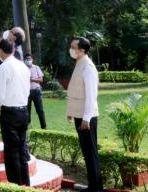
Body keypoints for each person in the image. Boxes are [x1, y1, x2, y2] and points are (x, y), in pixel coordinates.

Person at [66, 37, 103, 192]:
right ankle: (93, 186)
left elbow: (91, 95)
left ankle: (96, 188)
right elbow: (76, 90)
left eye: (73, 47)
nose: (71, 49)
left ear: (81, 49)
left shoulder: (87, 66)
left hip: (87, 118)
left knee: (91, 152)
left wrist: (86, 118)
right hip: (80, 115)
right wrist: (71, 112)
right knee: (87, 152)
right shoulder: (79, 63)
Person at [0, 39, 31, 186]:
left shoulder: (4, 67)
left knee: (11, 152)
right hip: (23, 111)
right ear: (13, 50)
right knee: (22, 150)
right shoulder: (23, 66)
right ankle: (26, 185)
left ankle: (15, 186)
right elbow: (27, 90)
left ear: (1, 51)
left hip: (10, 113)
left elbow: (0, 94)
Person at [24, 53, 46, 129]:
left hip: (36, 91)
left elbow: (41, 80)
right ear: (24, 60)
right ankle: (28, 125)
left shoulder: (36, 68)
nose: (28, 60)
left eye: (30, 59)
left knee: (40, 110)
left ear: (32, 60)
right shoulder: (22, 68)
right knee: (27, 110)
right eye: (27, 59)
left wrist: (32, 79)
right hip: (26, 92)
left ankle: (44, 127)